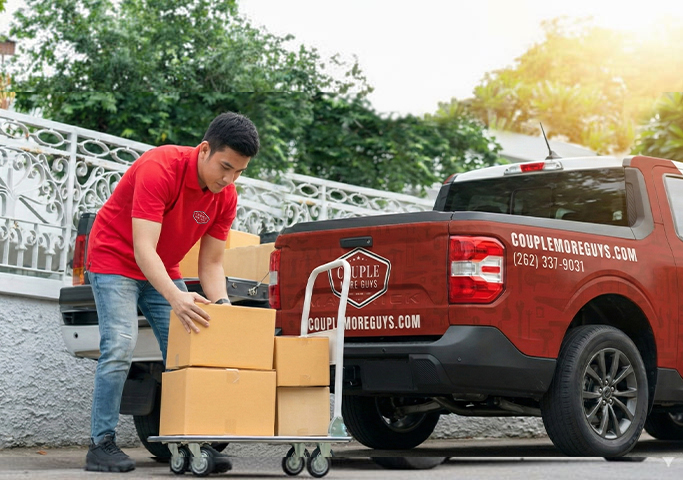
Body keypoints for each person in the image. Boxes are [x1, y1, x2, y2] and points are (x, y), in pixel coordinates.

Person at [84, 112, 260, 472]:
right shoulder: (160, 167)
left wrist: (223, 306)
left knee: (189, 349)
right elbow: (142, 247)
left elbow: (211, 264)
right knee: (119, 344)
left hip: (162, 268)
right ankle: (100, 444)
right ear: (205, 149)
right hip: (114, 258)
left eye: (239, 172)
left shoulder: (225, 196)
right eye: (225, 167)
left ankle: (192, 442)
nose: (229, 179)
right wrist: (176, 297)